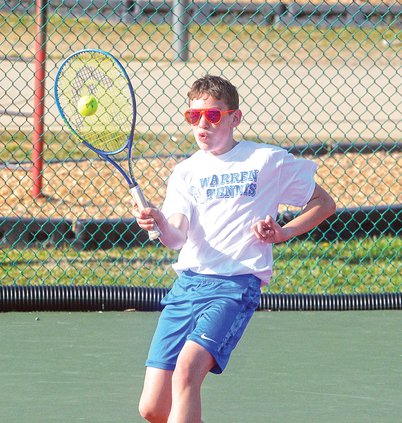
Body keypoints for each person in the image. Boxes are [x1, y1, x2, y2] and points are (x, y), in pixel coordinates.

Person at [135, 75, 336, 423]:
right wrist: (160, 224)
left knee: (187, 373)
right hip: (187, 287)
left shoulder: (266, 160)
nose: (201, 124)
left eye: (212, 115)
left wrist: (282, 232)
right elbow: (177, 238)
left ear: (234, 117)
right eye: (193, 116)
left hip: (234, 286)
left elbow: (324, 203)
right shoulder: (185, 173)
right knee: (153, 408)